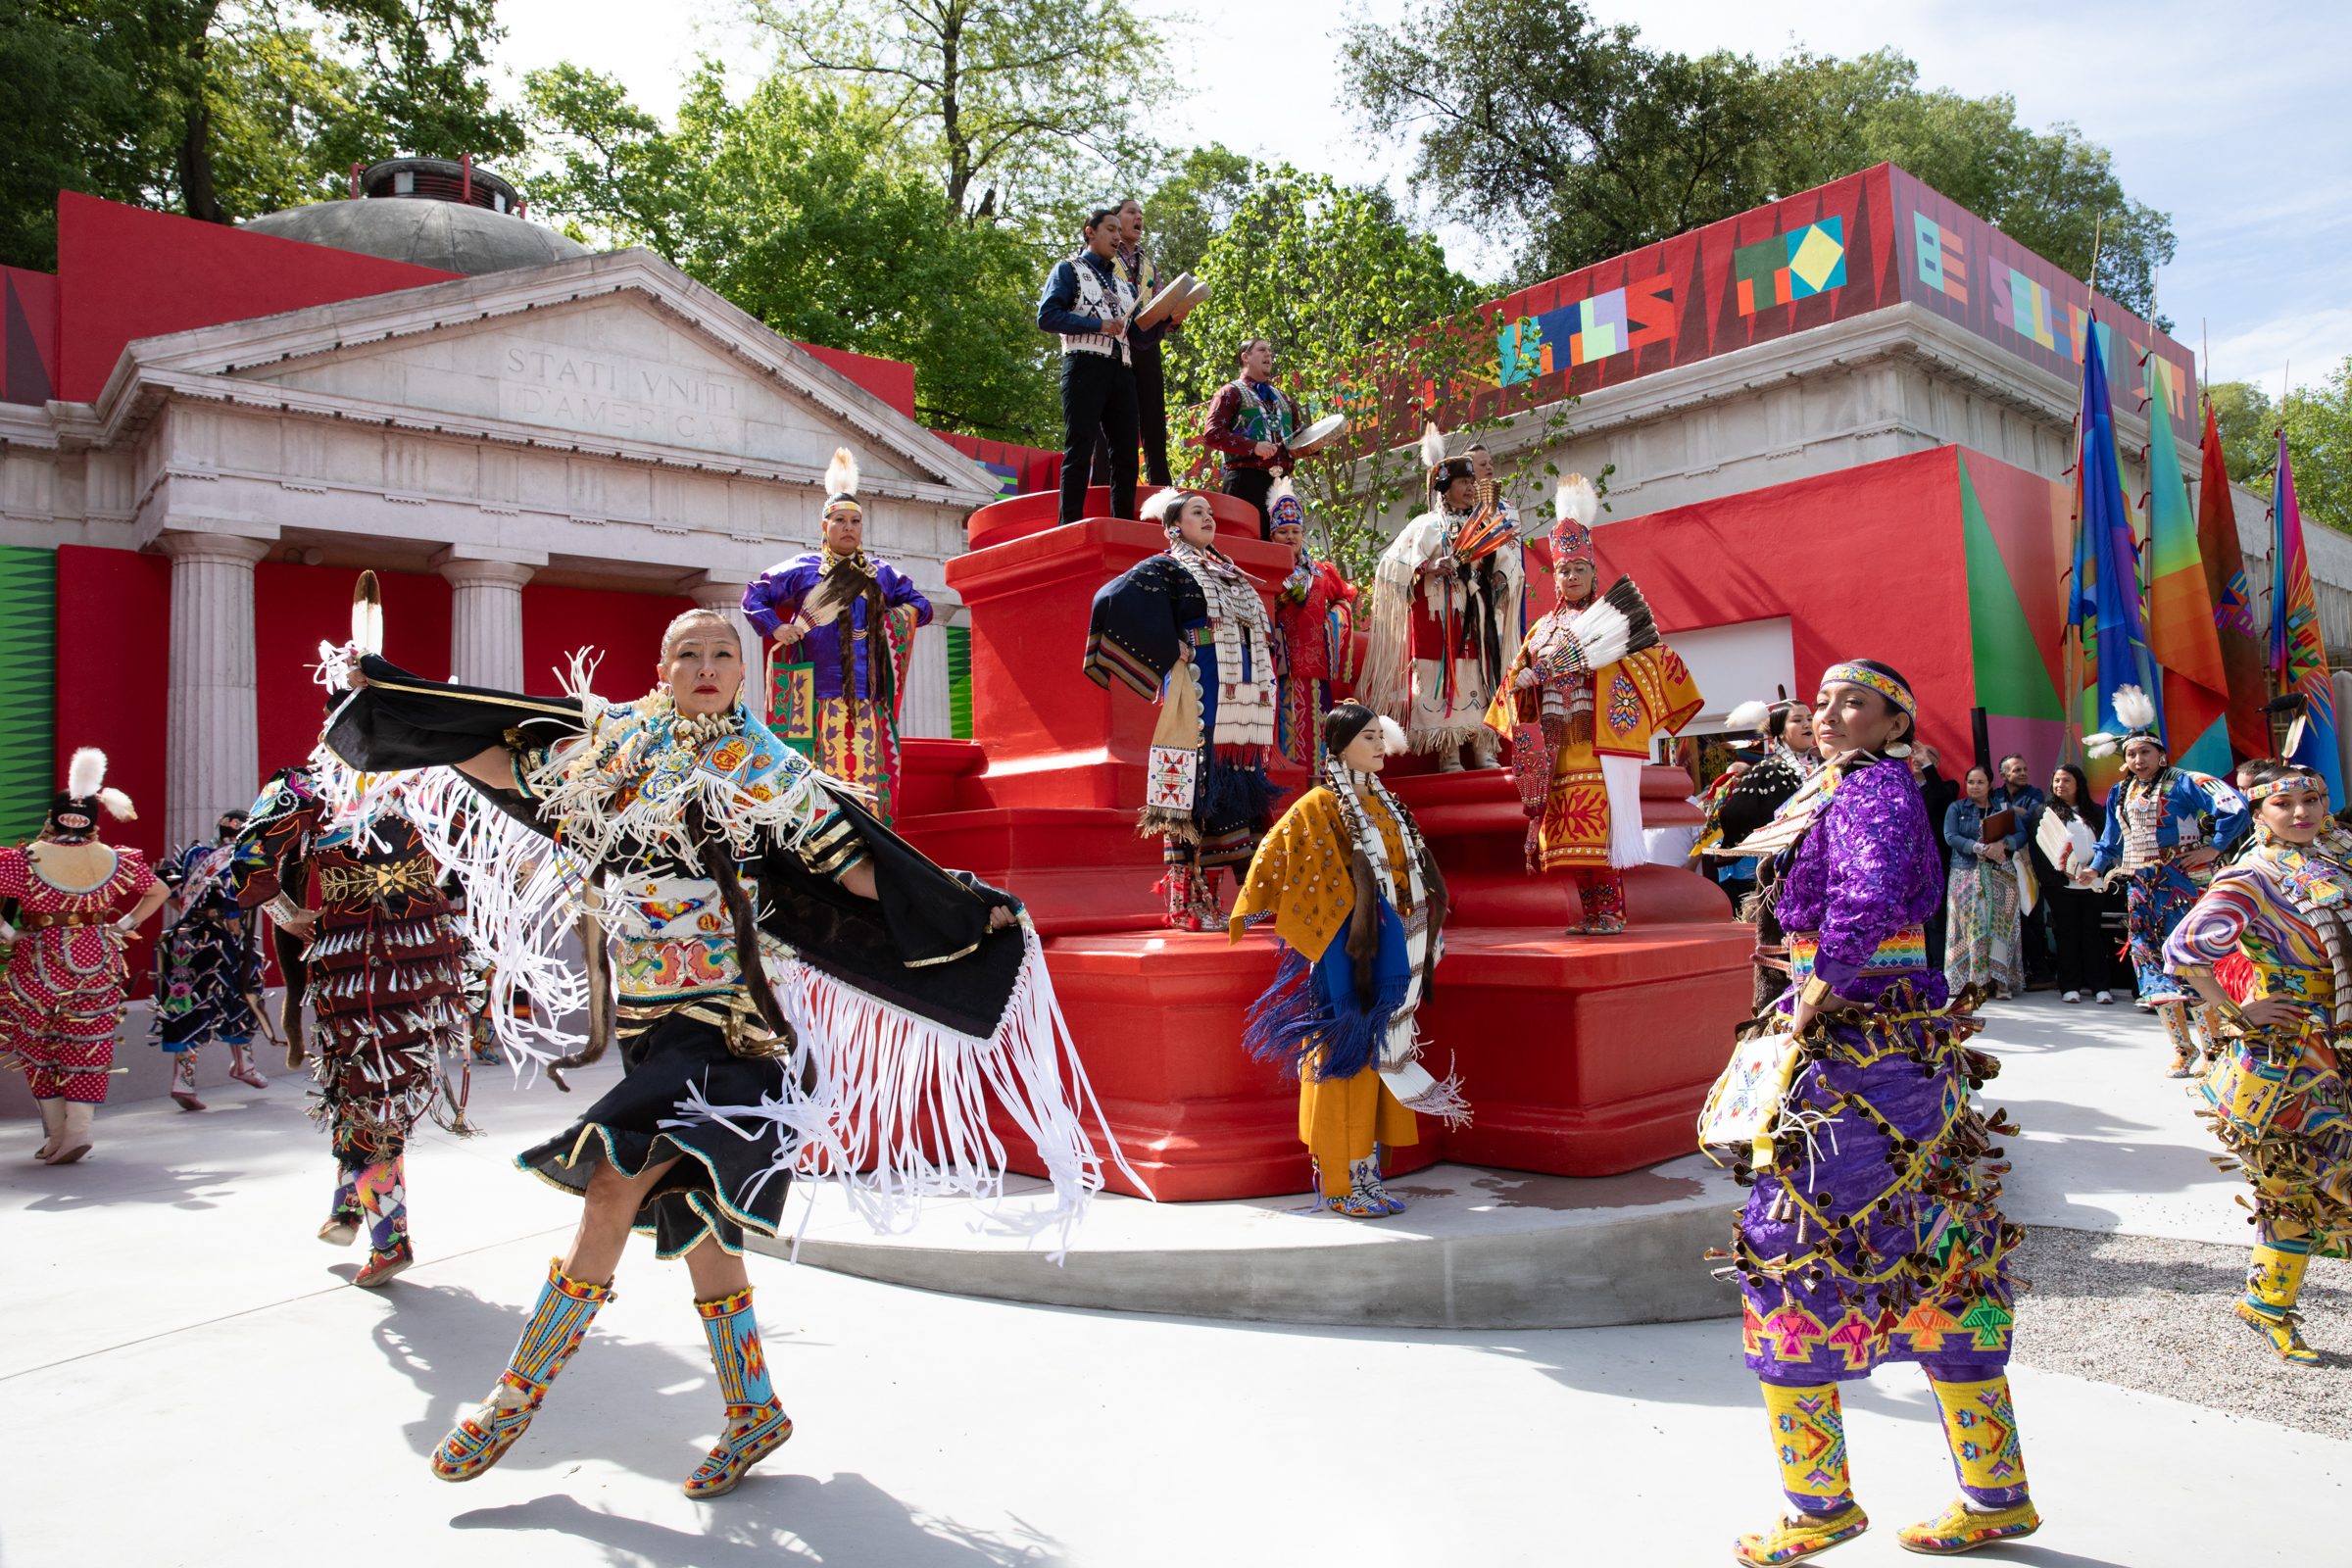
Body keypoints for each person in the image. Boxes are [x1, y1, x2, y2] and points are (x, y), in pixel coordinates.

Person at [321, 608, 1125, 1497]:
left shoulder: (765, 766)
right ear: (661, 668)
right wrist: (405, 712)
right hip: (648, 1021)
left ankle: (513, 1399)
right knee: (700, 1218)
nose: (706, 666)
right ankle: (752, 1410)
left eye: (722, 655)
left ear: (743, 675)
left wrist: (958, 906)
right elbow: (509, 765)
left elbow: (851, 864)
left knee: (610, 1182)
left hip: (733, 1021)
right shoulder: (613, 744)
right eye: (688, 654)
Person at [1712, 661, 2038, 1564]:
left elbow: (1862, 898)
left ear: (1897, 722)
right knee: (1939, 1244)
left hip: (1859, 1051)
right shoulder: (1858, 786)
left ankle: (1819, 1505)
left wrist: (1820, 982)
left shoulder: (1871, 791)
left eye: (1853, 702)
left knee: (1794, 1241)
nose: (1829, 714)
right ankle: (1995, 1493)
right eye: (1821, 701)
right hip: (1898, 1044)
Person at [227, 758, 471, 1288]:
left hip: (358, 956)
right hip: (425, 949)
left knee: (366, 1086)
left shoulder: (307, 783)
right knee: (375, 1085)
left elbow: (248, 859)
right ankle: (346, 1207)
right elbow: (484, 847)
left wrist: (289, 915)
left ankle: (389, 1239)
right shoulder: (429, 774)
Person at [1231, 702, 1461, 1216]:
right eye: (1369, 738)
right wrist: (1338, 916)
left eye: (1382, 736)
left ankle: (1368, 1178)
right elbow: (1276, 855)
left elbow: (1414, 872)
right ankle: (1339, 1184)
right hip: (1349, 955)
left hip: (1394, 951)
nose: (1381, 746)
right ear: (1339, 747)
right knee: (1347, 1065)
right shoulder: (1319, 805)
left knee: (1379, 1063)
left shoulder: (1388, 803)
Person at [2164, 760, 2352, 1364]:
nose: (2301, 814)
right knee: (2301, 1181)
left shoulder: (2337, 857)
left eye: (2312, 801)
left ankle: (2266, 1303)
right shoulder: (2252, 876)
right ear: (2259, 811)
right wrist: (2243, 1011)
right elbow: (2186, 950)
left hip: (2342, 1040)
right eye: (2284, 804)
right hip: (2298, 1057)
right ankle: (2268, 1303)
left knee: (2306, 1186)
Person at [1483, 475, 1698, 935]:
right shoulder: (1540, 630)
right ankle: (1589, 913)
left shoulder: (1613, 623)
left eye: (1580, 568)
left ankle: (1612, 913)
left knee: (1598, 836)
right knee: (1567, 840)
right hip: (1557, 751)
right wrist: (1524, 683)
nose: (1572, 576)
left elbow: (1654, 661)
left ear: (1593, 573)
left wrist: (1598, 667)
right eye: (1564, 570)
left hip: (1598, 745)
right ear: (1555, 576)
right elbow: (1514, 688)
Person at [1084, 488, 1279, 929]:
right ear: (1174, 526)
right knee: (1194, 790)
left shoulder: (1228, 571)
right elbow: (1109, 598)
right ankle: (1187, 905)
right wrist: (1166, 646)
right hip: (1199, 694)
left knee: (1234, 789)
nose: (1209, 518)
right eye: (1198, 512)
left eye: (1211, 512)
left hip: (1239, 704)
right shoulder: (1169, 568)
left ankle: (1231, 900)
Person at [741, 448, 934, 825]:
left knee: (869, 786)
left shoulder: (882, 574)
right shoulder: (802, 569)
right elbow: (755, 596)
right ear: (825, 526)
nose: (848, 527)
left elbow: (921, 607)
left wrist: (887, 619)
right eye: (840, 520)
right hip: (812, 698)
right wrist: (776, 627)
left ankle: (870, 853)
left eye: (856, 521)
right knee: (817, 783)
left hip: (869, 700)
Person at [0, 749, 167, 1165]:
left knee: (35, 1041)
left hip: (37, 958)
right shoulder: (113, 858)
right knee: (88, 1043)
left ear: (54, 815)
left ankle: (57, 1132)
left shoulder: (25, 859)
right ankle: (78, 1130)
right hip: (98, 957)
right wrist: (123, 925)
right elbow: (160, 891)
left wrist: (7, 931)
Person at [2078, 689, 2252, 1076]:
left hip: (2184, 886)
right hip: (2141, 890)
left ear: (2162, 755)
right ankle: (2183, 1050)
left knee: (2194, 962)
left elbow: (2235, 807)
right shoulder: (2120, 792)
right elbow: (2110, 840)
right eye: (2131, 755)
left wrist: (2213, 848)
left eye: (2145, 753)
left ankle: (2215, 1050)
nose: (2138, 760)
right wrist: (2096, 867)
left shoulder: (2186, 782)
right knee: (2152, 968)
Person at [1363, 425, 1527, 771]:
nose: (1470, 488)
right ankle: (1448, 752)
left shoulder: (1483, 526)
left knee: (1480, 679)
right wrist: (1426, 566)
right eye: (1463, 483)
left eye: (1472, 483)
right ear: (1445, 487)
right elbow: (1390, 566)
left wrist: (1501, 576)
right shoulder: (1425, 526)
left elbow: (1512, 566)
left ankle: (1485, 748)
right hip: (1439, 624)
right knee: (1442, 681)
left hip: (1478, 621)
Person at [1703, 696, 1822, 1008]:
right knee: (1784, 953)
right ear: (1779, 732)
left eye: (1810, 717)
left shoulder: (1821, 766)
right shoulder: (1770, 771)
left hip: (1821, 872)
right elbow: (1733, 814)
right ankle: (1782, 1015)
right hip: (1785, 874)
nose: (1808, 724)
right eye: (1798, 720)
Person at [150, 807, 270, 1109]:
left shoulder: (194, 855)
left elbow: (166, 885)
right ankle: (244, 1064)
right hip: (222, 938)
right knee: (246, 993)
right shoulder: (244, 859)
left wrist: (195, 913)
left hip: (181, 937)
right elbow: (240, 905)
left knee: (186, 1004)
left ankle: (184, 1079)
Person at [1037, 205, 1139, 526]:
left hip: (1122, 369)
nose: (1117, 237)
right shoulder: (1068, 269)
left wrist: (1167, 319)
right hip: (1083, 364)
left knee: (1126, 455)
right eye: (1110, 229)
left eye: (1119, 233)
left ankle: (1123, 525)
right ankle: (1068, 525)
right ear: (1089, 232)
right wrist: (1097, 325)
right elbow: (1047, 316)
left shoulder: (1126, 285)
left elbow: (1139, 336)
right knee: (1079, 448)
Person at [1267, 476, 1357, 771]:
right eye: (1282, 532)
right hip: (1282, 663)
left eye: (1295, 531)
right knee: (1287, 726)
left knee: (1320, 728)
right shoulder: (1265, 570)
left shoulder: (1320, 571)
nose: (1290, 536)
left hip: (1318, 662)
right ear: (1271, 537)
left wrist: (1334, 622)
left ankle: (1320, 786)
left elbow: (1344, 598)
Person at [1097, 196, 1174, 487]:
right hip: (1112, 343)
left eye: (1141, 213)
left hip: (1146, 345)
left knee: (1154, 421)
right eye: (1131, 212)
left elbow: (1161, 301)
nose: (1139, 218)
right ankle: (1105, 489)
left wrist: (1175, 313)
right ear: (1114, 220)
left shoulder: (1149, 265)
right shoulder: (1100, 256)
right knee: (1108, 423)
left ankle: (1162, 491)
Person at [1200, 338, 1301, 537]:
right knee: (1247, 545)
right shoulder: (1230, 392)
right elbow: (1212, 433)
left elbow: (1298, 437)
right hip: (1246, 480)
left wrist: (1318, 441)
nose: (1268, 355)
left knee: (1284, 547)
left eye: (1270, 351)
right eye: (1262, 350)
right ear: (1245, 357)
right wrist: (1254, 446)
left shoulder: (1285, 398)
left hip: (1282, 483)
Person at [2033, 763, 2116, 1004]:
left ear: (2078, 783)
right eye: (2057, 781)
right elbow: (2040, 849)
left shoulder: (2096, 813)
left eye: (2066, 780)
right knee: (2067, 934)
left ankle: (2100, 987)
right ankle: (2070, 986)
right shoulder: (2044, 811)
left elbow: (2108, 844)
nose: (2060, 785)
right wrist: (2064, 873)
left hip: (2092, 883)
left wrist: (2095, 870)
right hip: (2061, 885)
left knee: (2092, 934)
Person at [1943, 764, 2025, 999]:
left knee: (2000, 927)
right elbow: (1951, 836)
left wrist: (2003, 844)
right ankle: (1973, 983)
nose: (1974, 787)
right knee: (1970, 927)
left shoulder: (2003, 808)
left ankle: (2001, 982)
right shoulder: (1956, 807)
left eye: (1980, 782)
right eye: (1970, 782)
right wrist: (1979, 848)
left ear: (1990, 785)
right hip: (1966, 874)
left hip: (2000, 875)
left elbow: (2021, 835)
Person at [1989, 754, 2053, 991]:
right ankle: (2018, 969)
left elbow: (2027, 825)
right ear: (2003, 775)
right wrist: (2013, 812)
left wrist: (2006, 814)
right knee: (2008, 918)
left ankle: (2041, 971)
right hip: (2001, 866)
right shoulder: (1994, 795)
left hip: (2028, 866)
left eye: (2025, 769)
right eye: (2017, 770)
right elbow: (1991, 825)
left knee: (2032, 918)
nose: (2023, 773)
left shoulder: (2034, 794)